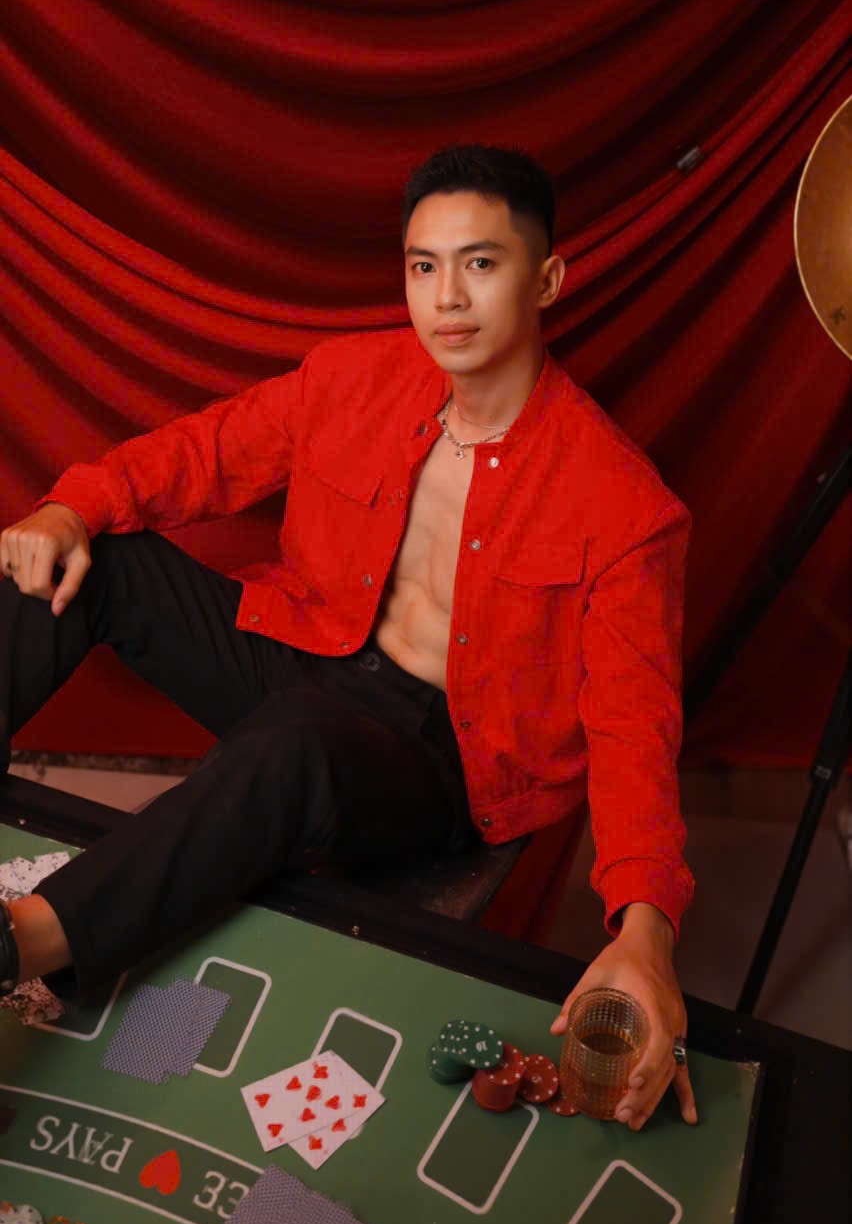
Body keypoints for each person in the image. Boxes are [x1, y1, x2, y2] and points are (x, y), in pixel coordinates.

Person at [0, 144, 696, 1132]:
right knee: (92, 556)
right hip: (315, 651)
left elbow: (635, 726)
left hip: (440, 757)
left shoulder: (624, 506)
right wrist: (70, 507)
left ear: (546, 279)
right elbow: (204, 453)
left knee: (295, 744)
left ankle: (21, 945)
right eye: (423, 265)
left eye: (481, 263)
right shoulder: (354, 377)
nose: (447, 297)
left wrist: (645, 929)